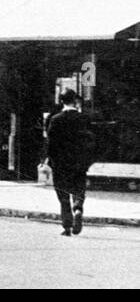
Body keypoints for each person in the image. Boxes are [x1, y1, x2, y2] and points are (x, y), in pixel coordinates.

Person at [46, 90, 94, 236]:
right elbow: (92, 141)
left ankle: (67, 226)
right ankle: (78, 208)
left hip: (61, 163)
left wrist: (50, 160)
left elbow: (51, 144)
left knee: (63, 193)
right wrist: (87, 160)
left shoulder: (55, 119)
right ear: (75, 102)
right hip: (79, 162)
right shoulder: (84, 119)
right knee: (79, 188)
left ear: (62, 102)